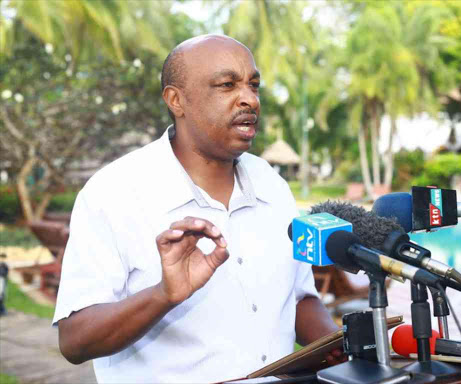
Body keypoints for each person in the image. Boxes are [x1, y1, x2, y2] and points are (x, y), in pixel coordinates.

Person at [54, 34, 343, 383]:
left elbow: (298, 299)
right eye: (227, 85)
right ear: (177, 100)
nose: (249, 99)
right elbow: (75, 339)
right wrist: (163, 296)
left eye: (254, 85)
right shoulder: (113, 193)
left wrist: (339, 347)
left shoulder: (272, 184)